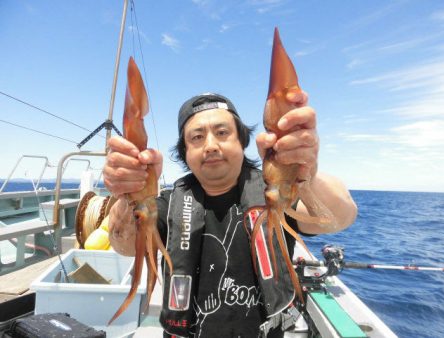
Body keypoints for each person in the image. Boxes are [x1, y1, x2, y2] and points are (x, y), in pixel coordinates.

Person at [103, 92, 357, 338]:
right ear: (185, 153)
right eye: (197, 137)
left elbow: (339, 217)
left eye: (222, 133)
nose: (211, 146)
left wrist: (307, 173)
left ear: (242, 141)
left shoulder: (276, 194)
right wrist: (129, 196)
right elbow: (123, 245)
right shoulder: (169, 203)